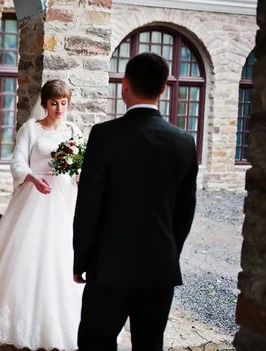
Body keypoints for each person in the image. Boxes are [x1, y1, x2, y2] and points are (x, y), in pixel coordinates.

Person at [73, 52, 199, 351]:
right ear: (164, 89)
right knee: (149, 344)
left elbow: (89, 204)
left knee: (95, 344)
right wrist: (169, 252)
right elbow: (185, 211)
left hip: (108, 267)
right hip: (159, 268)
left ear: (124, 85)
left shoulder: (105, 135)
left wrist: (81, 259)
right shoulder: (184, 141)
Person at [0, 80, 84, 350]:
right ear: (45, 103)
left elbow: (79, 166)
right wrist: (32, 179)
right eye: (54, 103)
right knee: (28, 254)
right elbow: (17, 162)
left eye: (63, 103)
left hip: (65, 199)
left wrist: (80, 177)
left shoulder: (74, 130)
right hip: (35, 196)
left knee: (63, 254)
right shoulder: (31, 129)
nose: (59, 108)